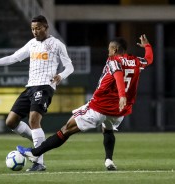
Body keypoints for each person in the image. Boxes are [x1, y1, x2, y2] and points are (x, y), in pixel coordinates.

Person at [17, 34, 153, 171]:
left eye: (110, 49)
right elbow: (149, 59)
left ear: (115, 49)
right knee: (108, 129)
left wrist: (122, 95)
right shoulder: (136, 61)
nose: (108, 52)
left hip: (100, 106)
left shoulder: (113, 61)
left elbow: (118, 74)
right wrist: (147, 46)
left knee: (66, 129)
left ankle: (35, 153)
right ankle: (109, 160)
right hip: (119, 111)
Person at [0, 15, 74, 171]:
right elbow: (13, 58)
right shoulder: (31, 44)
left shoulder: (57, 45)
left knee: (33, 120)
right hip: (30, 87)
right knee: (11, 122)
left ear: (46, 27)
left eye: (38, 28)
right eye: (32, 29)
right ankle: (39, 145)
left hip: (45, 86)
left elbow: (70, 67)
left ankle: (39, 162)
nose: (35, 32)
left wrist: (61, 76)